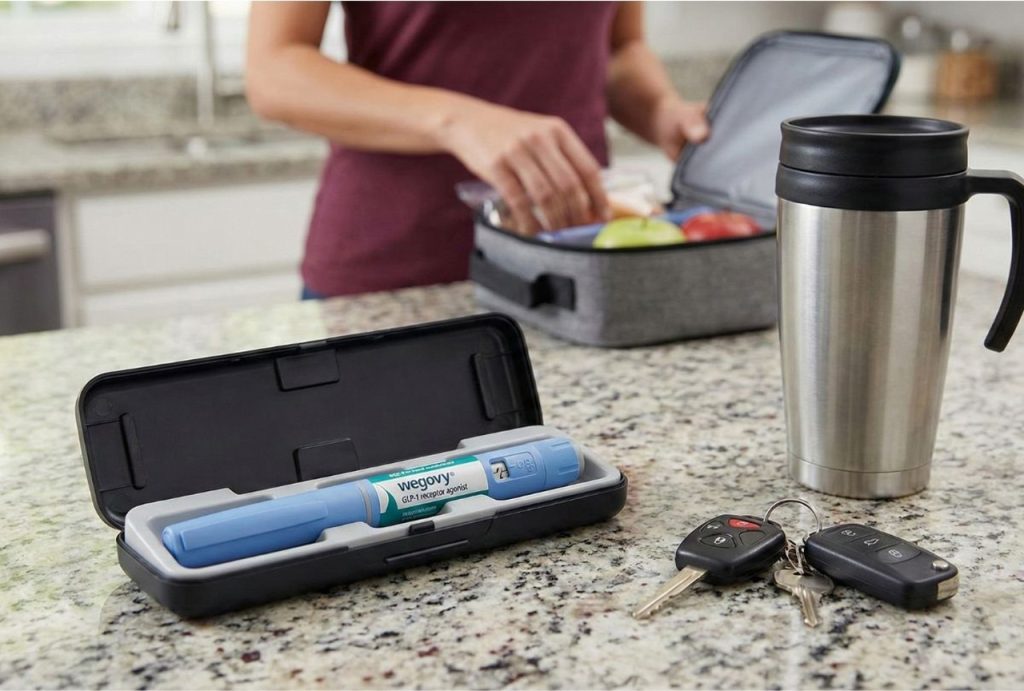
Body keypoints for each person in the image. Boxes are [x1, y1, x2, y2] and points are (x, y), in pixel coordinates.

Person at [247, 2, 709, 298]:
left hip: (571, 269)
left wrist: (660, 111)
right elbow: (274, 70)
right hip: (397, 272)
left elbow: (617, 47)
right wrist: (458, 121)